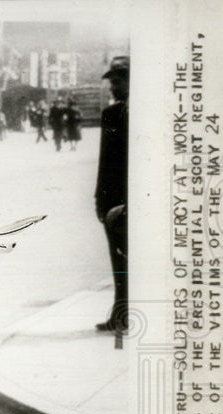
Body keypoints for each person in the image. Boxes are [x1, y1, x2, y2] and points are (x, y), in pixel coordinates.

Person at [95, 57, 130, 333]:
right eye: (112, 82)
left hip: (135, 201)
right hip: (113, 201)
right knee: (119, 262)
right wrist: (100, 199)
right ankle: (121, 315)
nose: (113, 88)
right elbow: (104, 161)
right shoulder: (111, 114)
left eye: (118, 82)